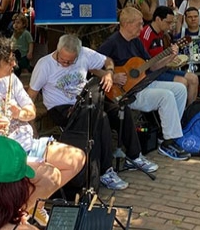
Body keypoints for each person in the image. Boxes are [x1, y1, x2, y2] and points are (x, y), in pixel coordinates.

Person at [0, 35, 85, 226]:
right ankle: (17, 218)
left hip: (24, 145)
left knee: (77, 158)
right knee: (51, 176)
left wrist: (19, 113)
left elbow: (31, 111)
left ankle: (30, 206)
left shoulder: (9, 80)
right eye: (9, 60)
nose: (14, 63)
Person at [27, 34, 157, 192]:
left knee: (120, 109)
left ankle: (135, 155)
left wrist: (109, 73)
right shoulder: (44, 65)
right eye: (62, 60)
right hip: (62, 108)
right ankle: (105, 170)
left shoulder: (84, 53)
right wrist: (30, 124)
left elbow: (107, 61)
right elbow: (31, 96)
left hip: (87, 99)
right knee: (100, 118)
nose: (66, 63)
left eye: (70, 61)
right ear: (58, 50)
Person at [97, 7, 191, 161]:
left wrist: (169, 57)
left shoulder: (136, 42)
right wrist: (111, 76)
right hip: (128, 93)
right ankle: (168, 143)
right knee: (166, 96)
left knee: (180, 89)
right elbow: (92, 66)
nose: (142, 28)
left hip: (143, 84)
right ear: (127, 24)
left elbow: (151, 66)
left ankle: (167, 135)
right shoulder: (112, 42)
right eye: (139, 24)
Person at [141, 6, 199, 106]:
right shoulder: (146, 34)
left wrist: (172, 58)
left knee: (193, 78)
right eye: (168, 22)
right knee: (182, 82)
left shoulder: (162, 34)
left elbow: (160, 57)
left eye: (172, 23)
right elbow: (147, 64)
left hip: (161, 68)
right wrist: (169, 58)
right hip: (150, 73)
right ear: (158, 19)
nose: (170, 26)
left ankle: (189, 112)